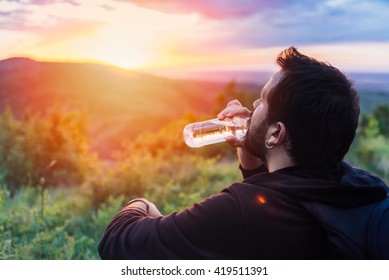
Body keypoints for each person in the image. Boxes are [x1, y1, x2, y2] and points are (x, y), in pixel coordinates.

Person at [98, 47, 388, 260]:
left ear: (276, 133)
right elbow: (279, 188)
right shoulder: (362, 190)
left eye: (261, 101)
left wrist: (141, 204)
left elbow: (116, 243)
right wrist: (249, 149)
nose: (251, 108)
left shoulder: (239, 212)